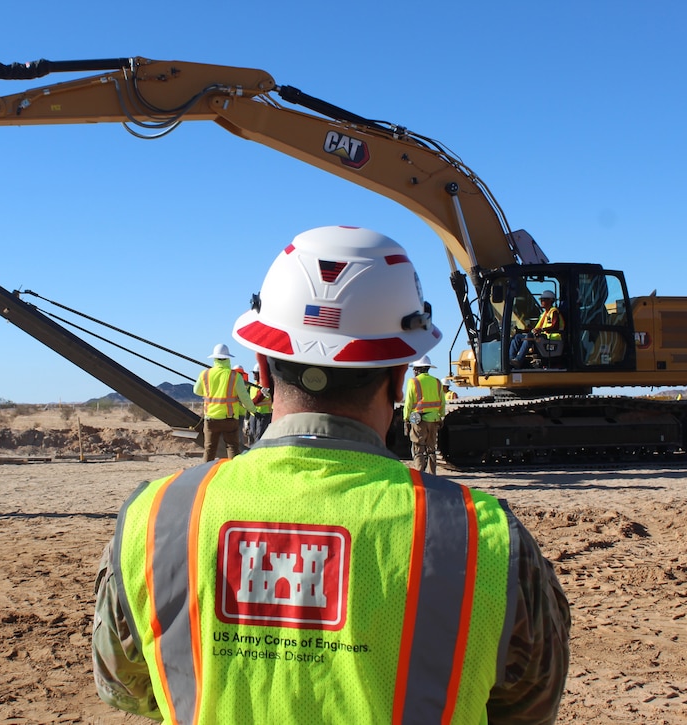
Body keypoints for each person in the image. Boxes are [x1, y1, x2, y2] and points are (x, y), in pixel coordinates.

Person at [92, 226, 570, 724]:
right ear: (400, 373)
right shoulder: (484, 538)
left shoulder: (157, 519)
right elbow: (527, 708)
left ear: (259, 365)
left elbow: (125, 687)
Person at [193, 344, 256, 462]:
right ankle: (234, 475)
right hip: (229, 419)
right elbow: (244, 397)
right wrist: (253, 410)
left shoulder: (205, 374)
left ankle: (207, 474)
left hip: (211, 418)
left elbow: (196, 391)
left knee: (210, 448)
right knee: (232, 447)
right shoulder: (235, 376)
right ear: (228, 358)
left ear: (214, 358)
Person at [401, 354, 445, 475]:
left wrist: (406, 419)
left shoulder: (413, 382)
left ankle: (419, 473)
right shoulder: (436, 382)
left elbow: (408, 402)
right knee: (431, 449)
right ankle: (432, 474)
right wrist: (441, 416)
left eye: (414, 369)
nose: (413, 371)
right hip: (434, 418)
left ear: (418, 369)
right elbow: (442, 401)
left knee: (418, 447)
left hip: (418, 418)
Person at [509, 290, 564, 368]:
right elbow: (536, 329)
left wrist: (541, 330)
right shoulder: (544, 314)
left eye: (543, 299)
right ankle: (511, 359)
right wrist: (522, 331)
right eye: (541, 299)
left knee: (529, 336)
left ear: (550, 300)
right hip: (542, 337)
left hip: (552, 338)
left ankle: (518, 360)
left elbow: (555, 326)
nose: (541, 301)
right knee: (517, 337)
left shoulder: (554, 312)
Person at [245, 361, 273, 443]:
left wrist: (247, 403)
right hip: (254, 414)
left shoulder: (265, 385)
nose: (254, 375)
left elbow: (258, 398)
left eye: (256, 373)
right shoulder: (253, 385)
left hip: (263, 414)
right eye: (253, 373)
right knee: (252, 435)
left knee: (259, 436)